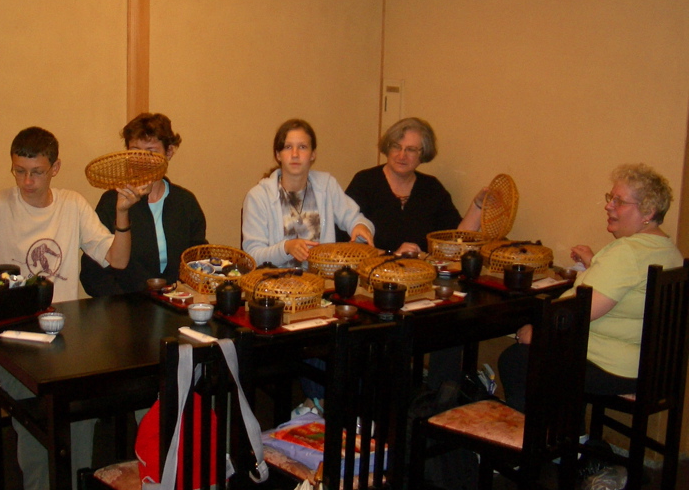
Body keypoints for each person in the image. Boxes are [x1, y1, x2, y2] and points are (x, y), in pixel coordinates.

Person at [0, 126, 146, 490]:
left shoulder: (72, 204)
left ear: (55, 167)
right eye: (19, 171)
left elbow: (116, 260)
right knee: (32, 410)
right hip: (8, 332)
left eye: (36, 172)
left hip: (64, 329)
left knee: (80, 408)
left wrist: (123, 214)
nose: (26, 182)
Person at [498, 163, 683, 413]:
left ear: (648, 211)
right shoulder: (669, 251)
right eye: (611, 199)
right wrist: (594, 262)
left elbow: (578, 314)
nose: (608, 206)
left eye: (619, 201)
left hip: (611, 367)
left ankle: (540, 445)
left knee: (516, 361)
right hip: (647, 366)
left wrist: (538, 332)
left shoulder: (627, 252)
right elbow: (628, 288)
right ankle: (576, 438)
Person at [80, 112, 207, 296]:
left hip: (176, 305)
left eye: (151, 151)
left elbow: (197, 260)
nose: (141, 159)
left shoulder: (185, 202)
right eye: (134, 151)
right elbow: (93, 274)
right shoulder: (112, 202)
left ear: (168, 152)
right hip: (124, 309)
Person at [242, 118, 375, 268]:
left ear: (313, 155)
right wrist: (286, 248)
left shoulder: (327, 186)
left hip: (322, 284)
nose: (295, 154)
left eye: (303, 147)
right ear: (278, 155)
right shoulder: (259, 196)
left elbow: (356, 219)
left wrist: (361, 226)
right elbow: (252, 256)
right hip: (274, 286)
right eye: (287, 147)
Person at [342, 117, 484, 255]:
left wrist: (478, 206)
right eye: (396, 147)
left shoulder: (431, 188)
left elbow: (457, 239)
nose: (401, 155)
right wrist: (392, 255)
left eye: (410, 150)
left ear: (423, 154)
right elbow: (347, 243)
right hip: (374, 273)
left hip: (421, 273)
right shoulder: (365, 182)